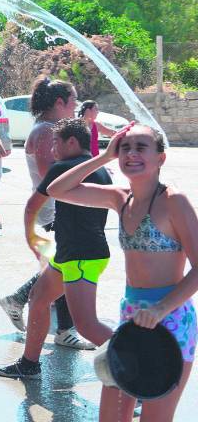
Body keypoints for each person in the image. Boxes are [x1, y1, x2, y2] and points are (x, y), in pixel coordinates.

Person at [47, 124, 195, 421]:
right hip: (131, 320)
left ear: (160, 158)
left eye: (141, 147)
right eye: (125, 147)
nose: (131, 154)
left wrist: (161, 308)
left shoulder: (173, 202)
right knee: (112, 416)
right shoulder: (120, 197)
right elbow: (56, 190)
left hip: (171, 322)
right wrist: (103, 157)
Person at [0, 118, 113, 379]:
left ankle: (141, 375)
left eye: (56, 144)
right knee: (38, 298)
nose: (52, 151)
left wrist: (32, 239)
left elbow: (32, 206)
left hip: (81, 257)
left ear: (72, 142)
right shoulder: (102, 171)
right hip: (73, 253)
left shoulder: (62, 168)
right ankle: (29, 364)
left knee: (86, 325)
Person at [0, 77, 92, 350]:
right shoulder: (45, 132)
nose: (76, 105)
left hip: (58, 210)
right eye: (73, 100)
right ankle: (59, 326)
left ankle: (30, 306)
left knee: (62, 265)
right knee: (64, 265)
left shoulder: (51, 128)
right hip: (52, 212)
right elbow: (50, 178)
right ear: (60, 102)